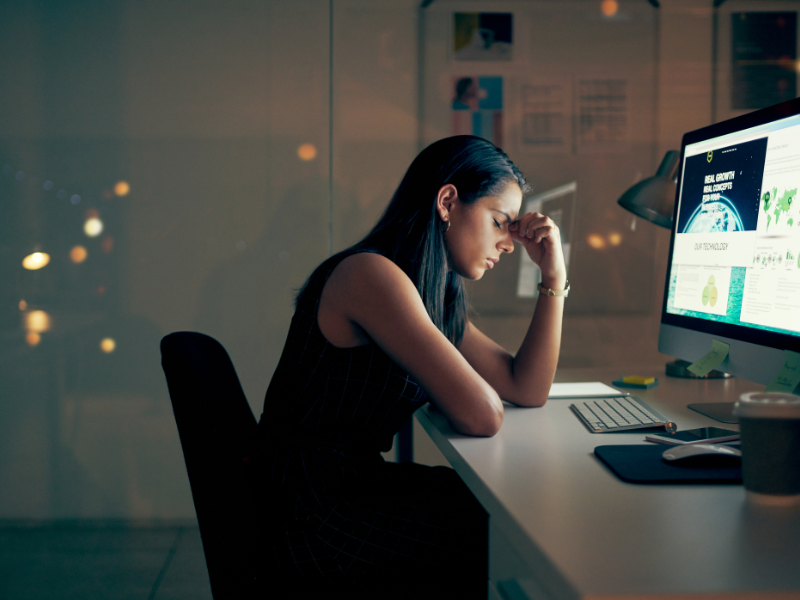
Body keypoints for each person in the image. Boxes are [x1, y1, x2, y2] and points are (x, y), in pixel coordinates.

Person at [256, 135, 566, 598]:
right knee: (505, 537)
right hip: (309, 511)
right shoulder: (371, 276)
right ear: (447, 202)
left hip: (348, 487)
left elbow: (526, 387)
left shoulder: (428, 292)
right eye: (501, 222)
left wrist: (554, 278)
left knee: (503, 513)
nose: (507, 244)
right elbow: (484, 415)